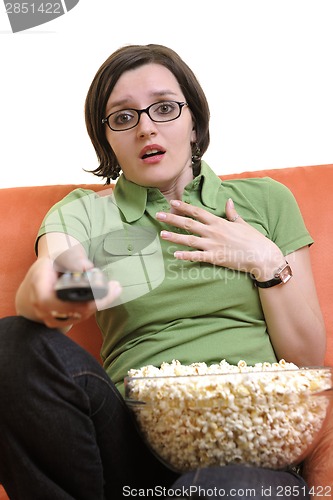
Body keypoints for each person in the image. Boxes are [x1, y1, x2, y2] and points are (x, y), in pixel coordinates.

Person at [0, 43, 326, 499]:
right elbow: (53, 279)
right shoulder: (85, 213)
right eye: (123, 117)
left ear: (194, 121)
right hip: (131, 447)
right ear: (107, 138)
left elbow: (309, 361)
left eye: (164, 108)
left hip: (249, 441)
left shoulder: (265, 201)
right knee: (11, 342)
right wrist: (56, 291)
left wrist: (264, 260)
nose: (146, 127)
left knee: (214, 489)